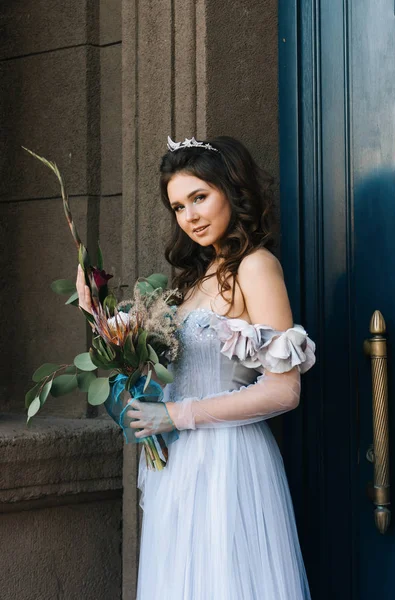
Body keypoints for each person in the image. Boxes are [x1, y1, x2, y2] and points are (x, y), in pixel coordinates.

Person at [77, 135, 315, 599]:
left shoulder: (255, 267)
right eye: (179, 207)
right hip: (182, 465)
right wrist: (100, 318)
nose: (190, 217)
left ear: (231, 188)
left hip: (229, 462)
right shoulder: (195, 279)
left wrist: (177, 415)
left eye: (199, 197)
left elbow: (284, 391)